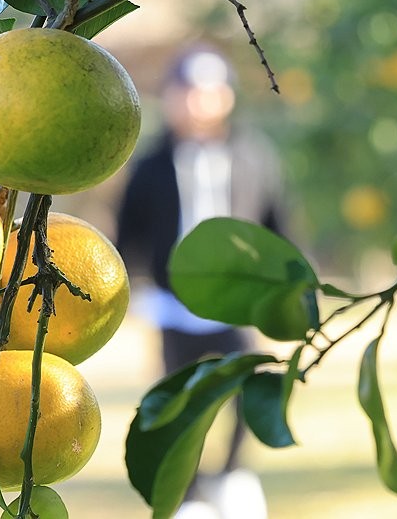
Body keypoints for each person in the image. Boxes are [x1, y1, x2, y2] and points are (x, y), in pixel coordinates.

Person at [117, 46, 285, 519]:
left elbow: (277, 224)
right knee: (179, 404)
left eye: (208, 93)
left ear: (226, 98)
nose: (197, 103)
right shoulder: (150, 164)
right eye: (187, 93)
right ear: (170, 98)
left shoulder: (253, 155)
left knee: (250, 386)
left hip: (236, 302)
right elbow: (129, 232)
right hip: (174, 305)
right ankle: (188, 494)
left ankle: (232, 474)